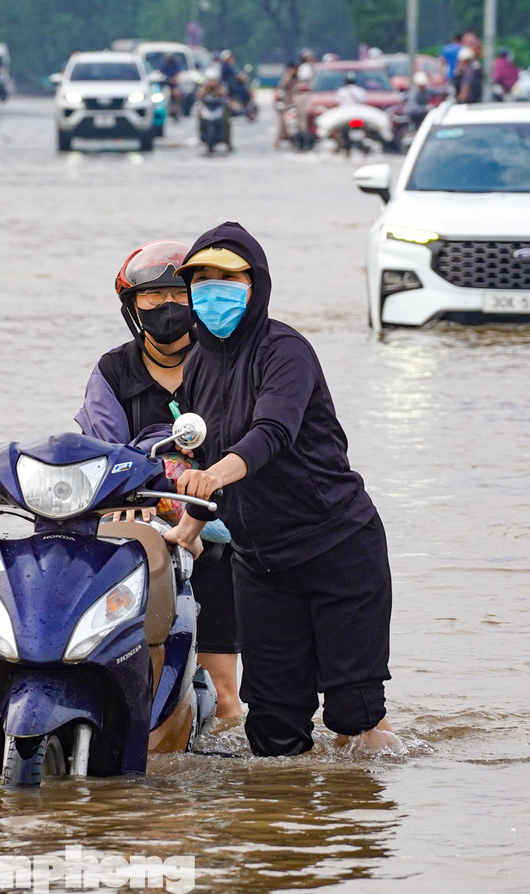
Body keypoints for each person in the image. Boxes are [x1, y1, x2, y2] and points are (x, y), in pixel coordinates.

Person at [164, 222, 402, 759]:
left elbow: (272, 433)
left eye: (225, 278)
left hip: (336, 548)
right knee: (272, 727)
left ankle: (359, 819)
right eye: (199, 280)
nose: (210, 290)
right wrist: (188, 530)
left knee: (354, 713)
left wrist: (215, 474)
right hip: (262, 563)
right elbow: (201, 458)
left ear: (256, 285)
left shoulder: (285, 351)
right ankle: (281, 834)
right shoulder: (198, 363)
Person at [75, 241, 243, 721]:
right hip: (135, 538)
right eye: (153, 297)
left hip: (216, 538)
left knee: (227, 695)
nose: (168, 307)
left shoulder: (223, 365)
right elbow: (102, 453)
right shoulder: (112, 371)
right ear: (132, 306)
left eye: (179, 294)